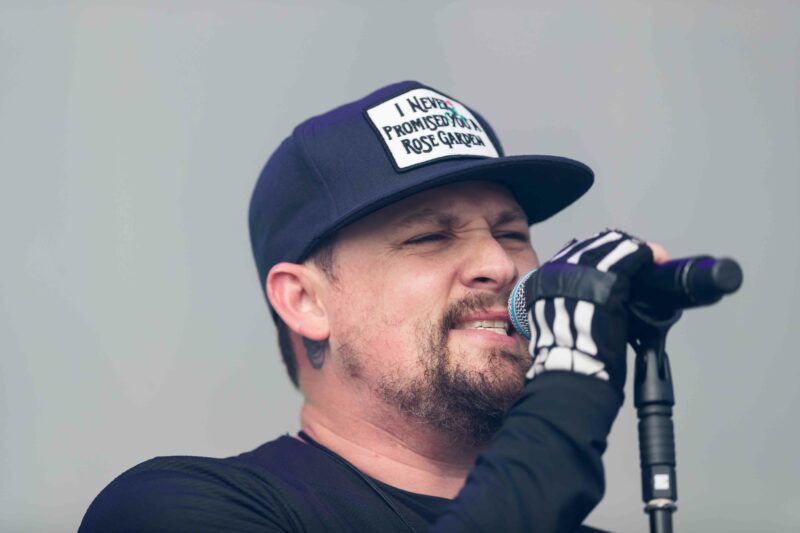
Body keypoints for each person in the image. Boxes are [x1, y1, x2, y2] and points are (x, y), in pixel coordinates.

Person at [79, 80, 670, 532]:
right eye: (429, 237)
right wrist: (571, 382)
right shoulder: (173, 508)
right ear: (305, 301)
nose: (499, 263)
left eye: (511, 233)